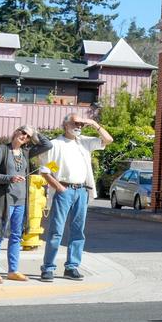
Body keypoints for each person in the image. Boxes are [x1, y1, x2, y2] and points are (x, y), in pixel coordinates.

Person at [39, 113, 114, 282]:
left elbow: (108, 140)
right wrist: (59, 187)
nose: (79, 126)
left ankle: (72, 267)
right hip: (64, 190)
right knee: (56, 231)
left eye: (81, 124)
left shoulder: (84, 143)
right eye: (75, 123)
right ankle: (48, 268)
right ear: (65, 125)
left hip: (81, 191)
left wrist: (93, 123)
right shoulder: (55, 144)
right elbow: (46, 171)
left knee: (78, 231)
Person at [0, 125, 53, 284]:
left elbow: (47, 145)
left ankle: (13, 271)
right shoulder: (1, 150)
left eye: (27, 136)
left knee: (16, 236)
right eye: (22, 132)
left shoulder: (26, 152)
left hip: (21, 201)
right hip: (4, 200)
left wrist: (34, 132)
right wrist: (9, 178)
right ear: (15, 131)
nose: (24, 136)